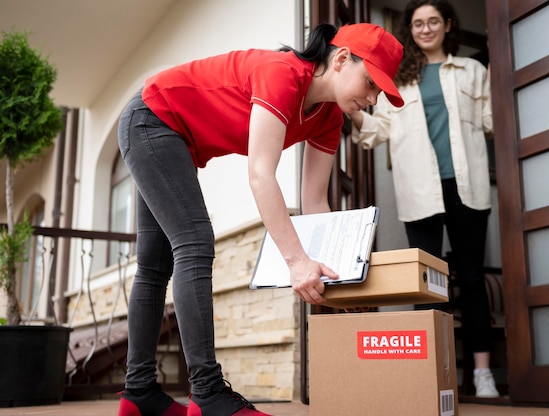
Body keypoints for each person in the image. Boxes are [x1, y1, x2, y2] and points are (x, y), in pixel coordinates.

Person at [116, 22, 404, 416]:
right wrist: (296, 261)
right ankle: (207, 393)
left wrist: (338, 279)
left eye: (380, 93)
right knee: (194, 243)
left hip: (173, 138)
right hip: (151, 118)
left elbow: (315, 202)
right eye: (371, 84)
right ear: (340, 60)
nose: (373, 100)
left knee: (155, 263)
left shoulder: (330, 119)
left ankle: (139, 395)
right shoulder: (282, 74)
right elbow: (260, 175)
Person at [346, 0, 498, 399]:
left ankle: (482, 373)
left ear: (448, 25)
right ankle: (432, 372)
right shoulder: (399, 78)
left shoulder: (473, 71)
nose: (426, 29)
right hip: (420, 189)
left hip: (468, 187)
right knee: (428, 284)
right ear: (408, 30)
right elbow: (375, 130)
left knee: (470, 279)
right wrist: (343, 100)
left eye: (433, 21)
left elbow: (492, 123)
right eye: (418, 24)